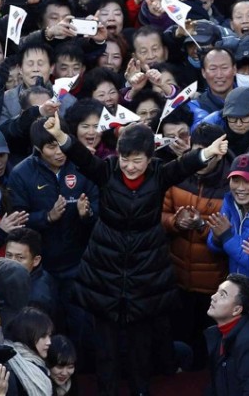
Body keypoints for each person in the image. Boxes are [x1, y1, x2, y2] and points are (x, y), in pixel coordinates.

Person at [39, 113, 229, 396]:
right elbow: (82, 157)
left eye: (137, 160)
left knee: (142, 347)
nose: (130, 166)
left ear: (150, 157)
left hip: (146, 268)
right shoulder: (108, 170)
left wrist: (208, 153)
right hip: (105, 265)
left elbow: (184, 165)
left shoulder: (159, 173)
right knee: (106, 347)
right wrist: (60, 135)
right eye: (125, 159)